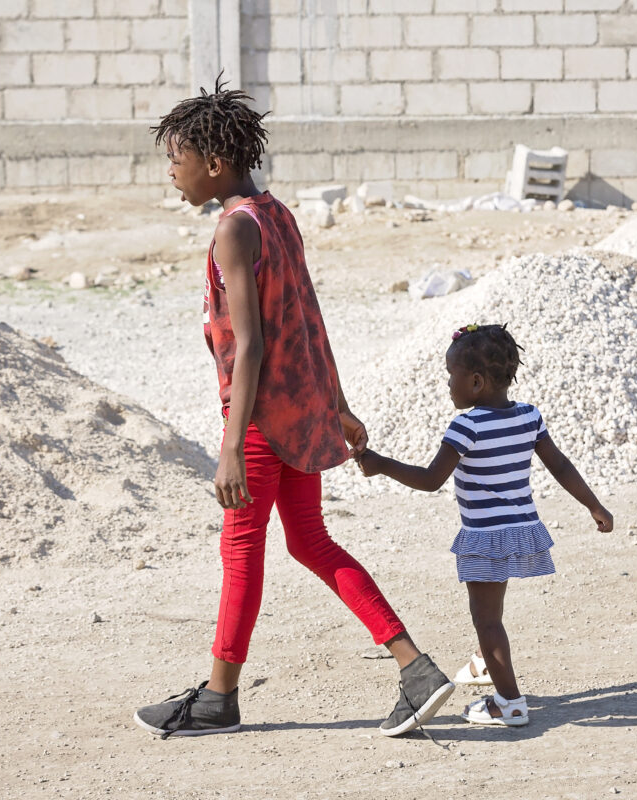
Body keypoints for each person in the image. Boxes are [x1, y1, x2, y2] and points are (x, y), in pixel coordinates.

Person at [133, 78, 454, 739]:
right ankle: (414, 667)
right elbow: (307, 316)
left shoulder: (233, 231)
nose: (172, 174)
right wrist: (334, 403)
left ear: (214, 163)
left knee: (242, 549)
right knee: (310, 541)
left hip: (260, 422)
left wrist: (230, 446)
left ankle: (220, 699)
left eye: (176, 160)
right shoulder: (274, 213)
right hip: (301, 411)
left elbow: (250, 346)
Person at [357, 323, 613, 727]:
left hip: (485, 537)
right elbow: (560, 464)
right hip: (521, 528)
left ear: (475, 382)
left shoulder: (467, 426)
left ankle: (509, 703)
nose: (447, 384)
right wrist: (594, 506)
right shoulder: (529, 416)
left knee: (487, 619)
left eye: (451, 376)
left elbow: (430, 480)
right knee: (492, 612)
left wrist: (380, 464)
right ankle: (483, 662)